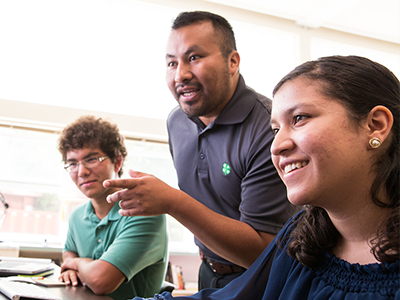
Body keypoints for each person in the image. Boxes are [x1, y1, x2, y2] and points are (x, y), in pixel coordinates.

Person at [131, 55, 400, 299]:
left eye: (300, 118)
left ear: (375, 126)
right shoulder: (302, 239)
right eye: (274, 130)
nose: (276, 145)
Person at [104, 11, 294, 290]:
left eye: (194, 58)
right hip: (208, 271)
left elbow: (261, 250)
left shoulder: (268, 126)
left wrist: (172, 201)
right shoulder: (176, 121)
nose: (181, 74)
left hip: (263, 279)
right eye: (172, 62)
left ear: (233, 62)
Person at [57, 115, 169, 300]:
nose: (81, 172)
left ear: (117, 162)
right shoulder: (77, 216)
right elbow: (68, 251)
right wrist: (72, 264)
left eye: (91, 159)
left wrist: (76, 263)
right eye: (72, 163)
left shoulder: (144, 213)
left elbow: (102, 281)